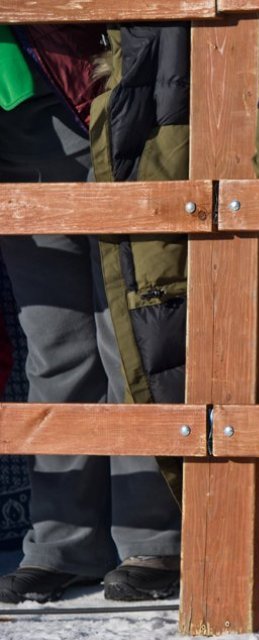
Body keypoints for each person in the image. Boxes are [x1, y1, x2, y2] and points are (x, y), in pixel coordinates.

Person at [0, 23, 182, 604]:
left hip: (82, 88)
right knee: (53, 341)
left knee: (126, 335)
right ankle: (63, 544)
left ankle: (155, 539)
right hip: (15, 120)